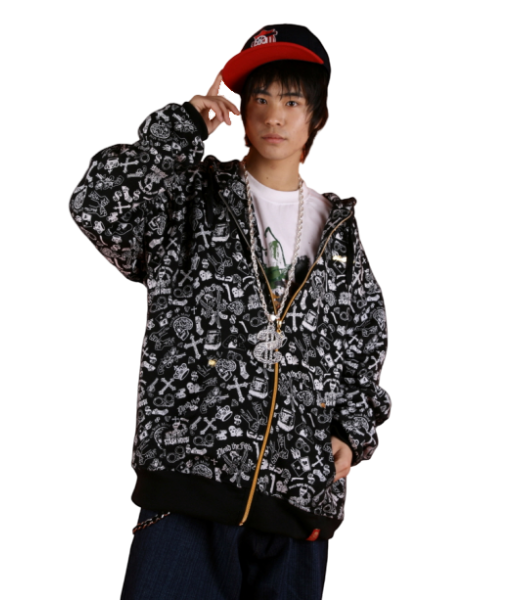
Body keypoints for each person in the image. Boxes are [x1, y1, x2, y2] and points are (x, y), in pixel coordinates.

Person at [70, 23, 391, 600]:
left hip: (297, 505)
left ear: (316, 117)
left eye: (291, 101)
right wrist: (179, 130)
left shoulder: (337, 230)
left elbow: (364, 335)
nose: (273, 116)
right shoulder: (189, 199)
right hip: (188, 489)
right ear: (241, 111)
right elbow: (97, 207)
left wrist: (352, 428)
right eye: (259, 99)